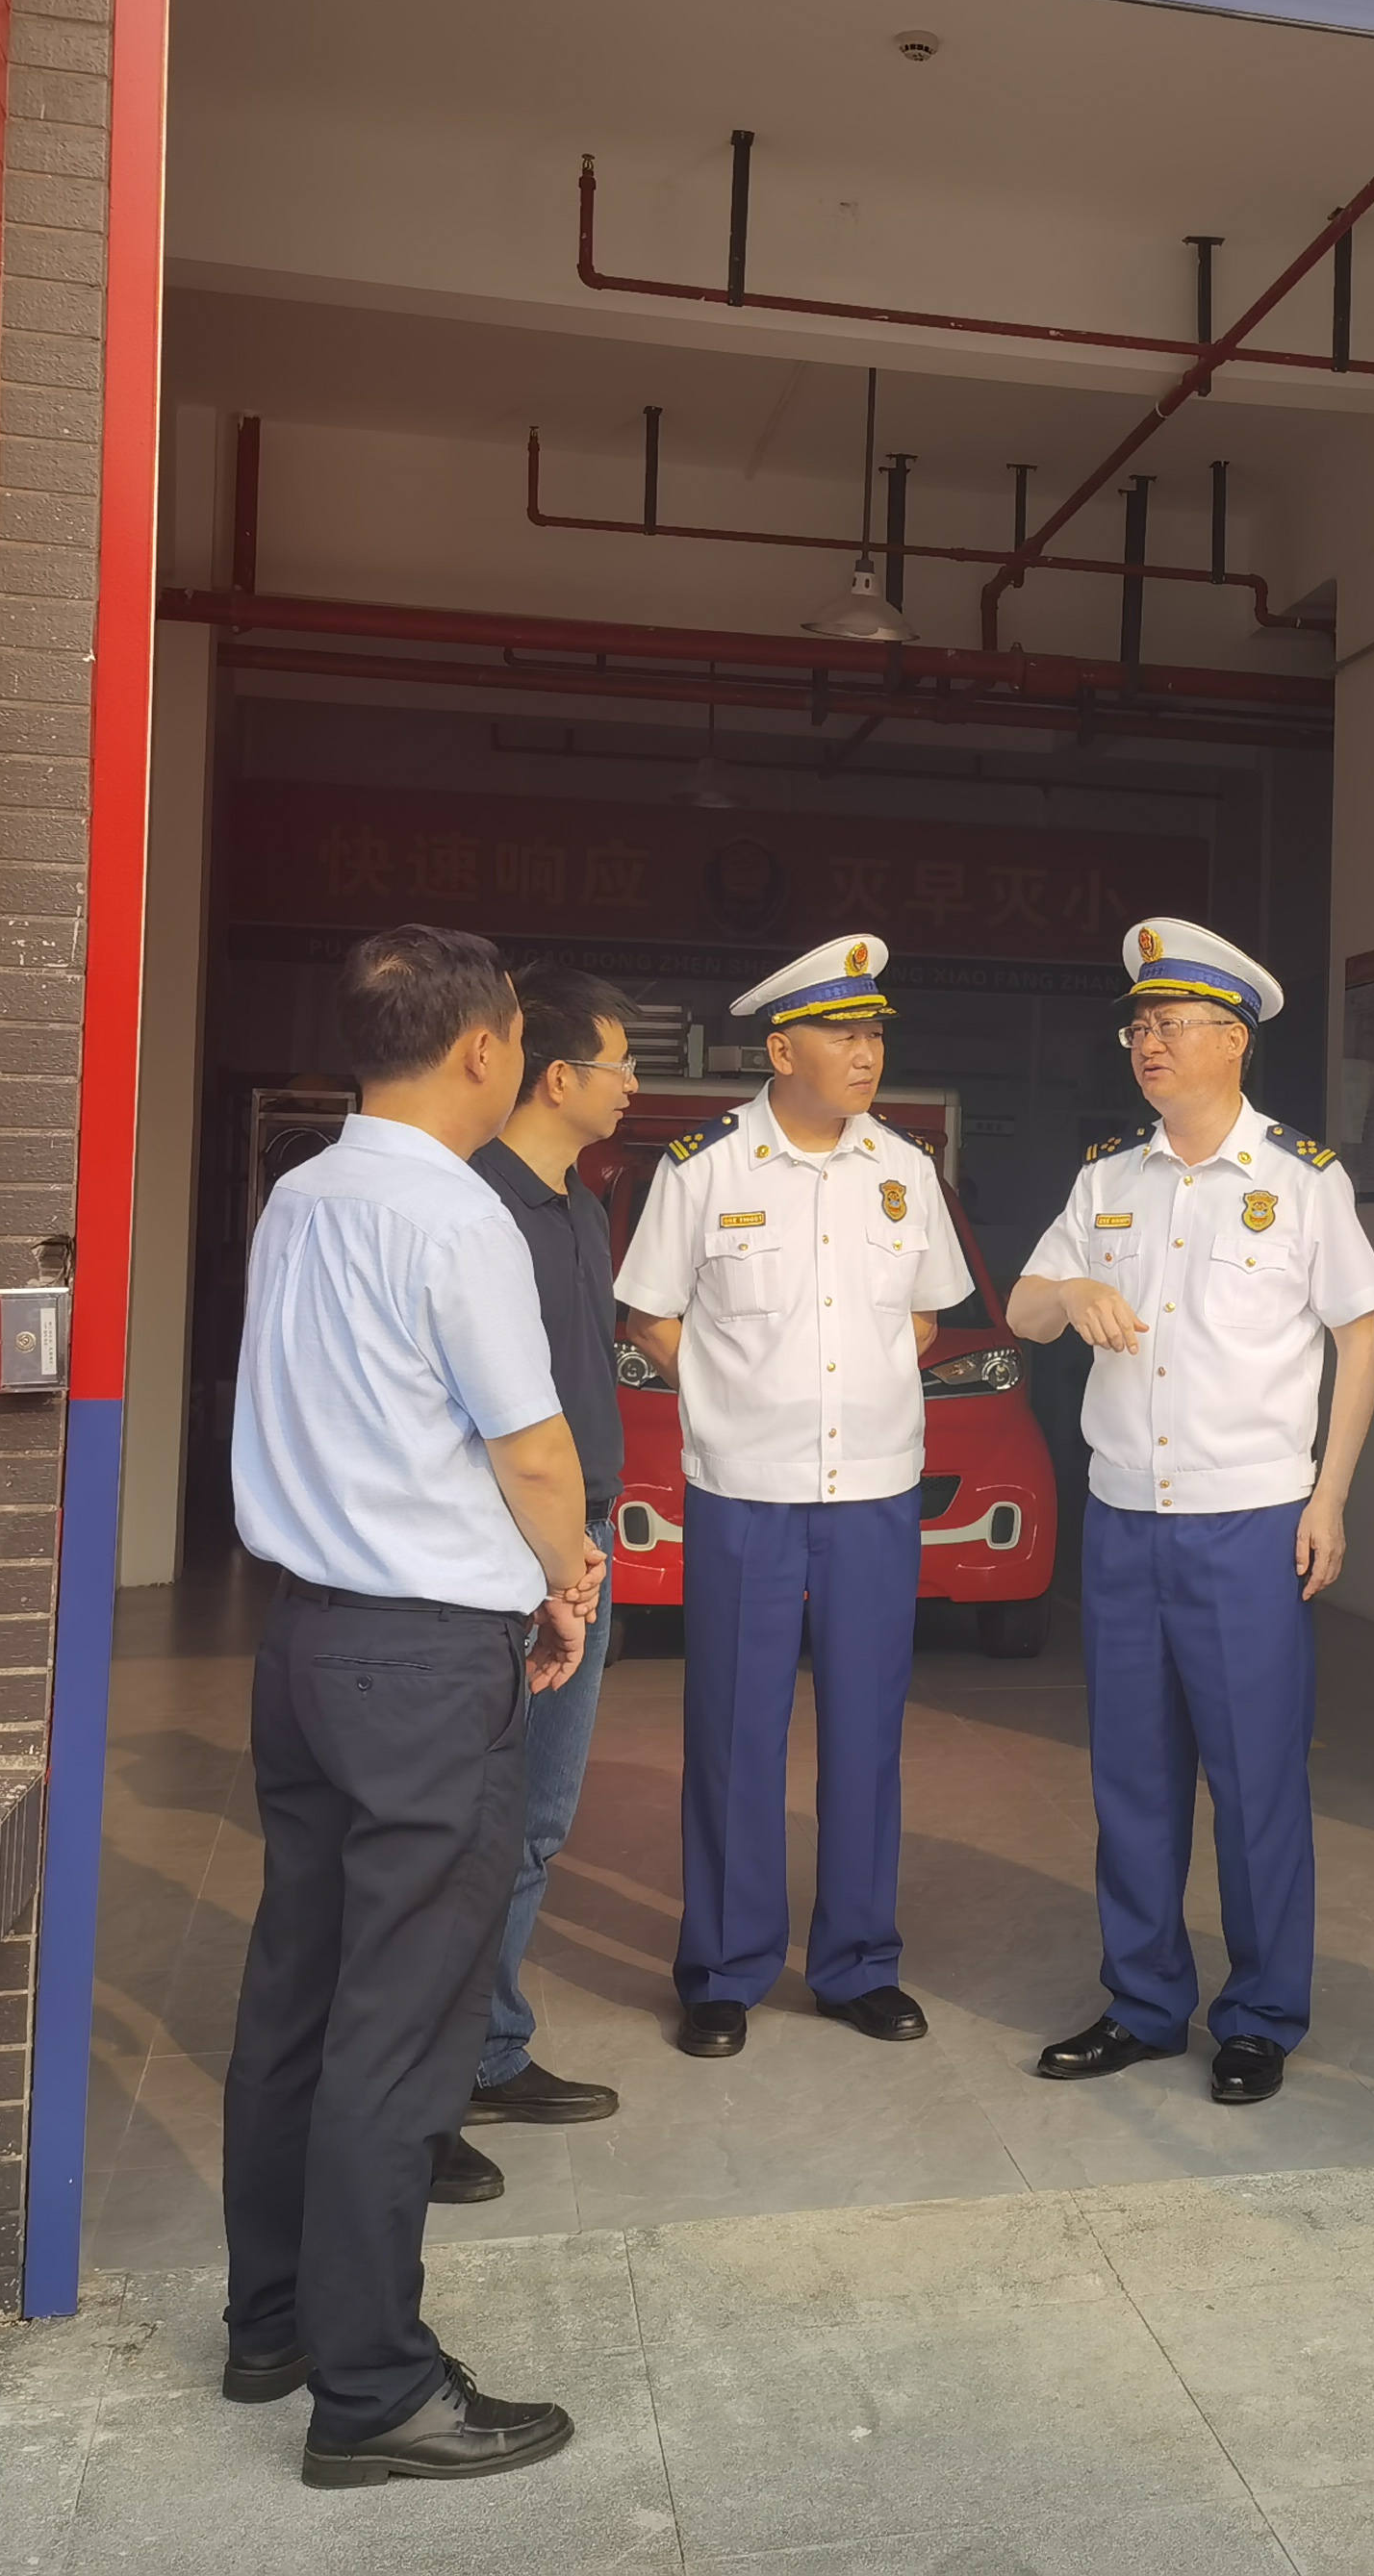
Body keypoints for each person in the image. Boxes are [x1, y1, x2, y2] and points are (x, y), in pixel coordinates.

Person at [220, 924, 600, 2488]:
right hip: (425, 1664)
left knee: (298, 1997)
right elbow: (531, 1445)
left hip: (305, 1646)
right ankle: (375, 2389)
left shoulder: (304, 1193)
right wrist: (568, 1576)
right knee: (401, 2023)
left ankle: (273, 2326)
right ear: (483, 1049)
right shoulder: (457, 1216)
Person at [1011, 917, 1374, 2106]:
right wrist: (1072, 1290)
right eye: (1139, 1025)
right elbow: (1022, 1309)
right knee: (1132, 1777)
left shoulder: (1300, 1179)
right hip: (1125, 1515)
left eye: (1172, 1024)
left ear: (1234, 1039)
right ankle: (1141, 2002)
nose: (1149, 1043)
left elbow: (1361, 1341)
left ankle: (1261, 2015)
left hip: (1248, 1521)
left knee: (1255, 1780)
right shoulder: (1106, 1179)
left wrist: (1330, 1496)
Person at [616, 934, 972, 2058]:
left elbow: (925, 1316)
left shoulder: (905, 1169)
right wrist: (736, 1400)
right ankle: (724, 1969)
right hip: (745, 1491)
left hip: (873, 1491)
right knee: (734, 1730)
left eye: (874, 1035)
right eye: (843, 1034)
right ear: (781, 1050)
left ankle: (858, 1963)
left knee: (867, 1729)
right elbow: (650, 1318)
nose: (866, 1054)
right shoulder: (703, 1168)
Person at [432, 963, 643, 2207]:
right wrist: (544, 1553)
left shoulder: (583, 1208)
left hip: (582, 1538)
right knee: (470, 1823)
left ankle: (488, 2049)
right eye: (620, 1064)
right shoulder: (474, 1209)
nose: (633, 1085)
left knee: (538, 1818)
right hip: (502, 1548)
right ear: (556, 1076)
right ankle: (432, 2081)